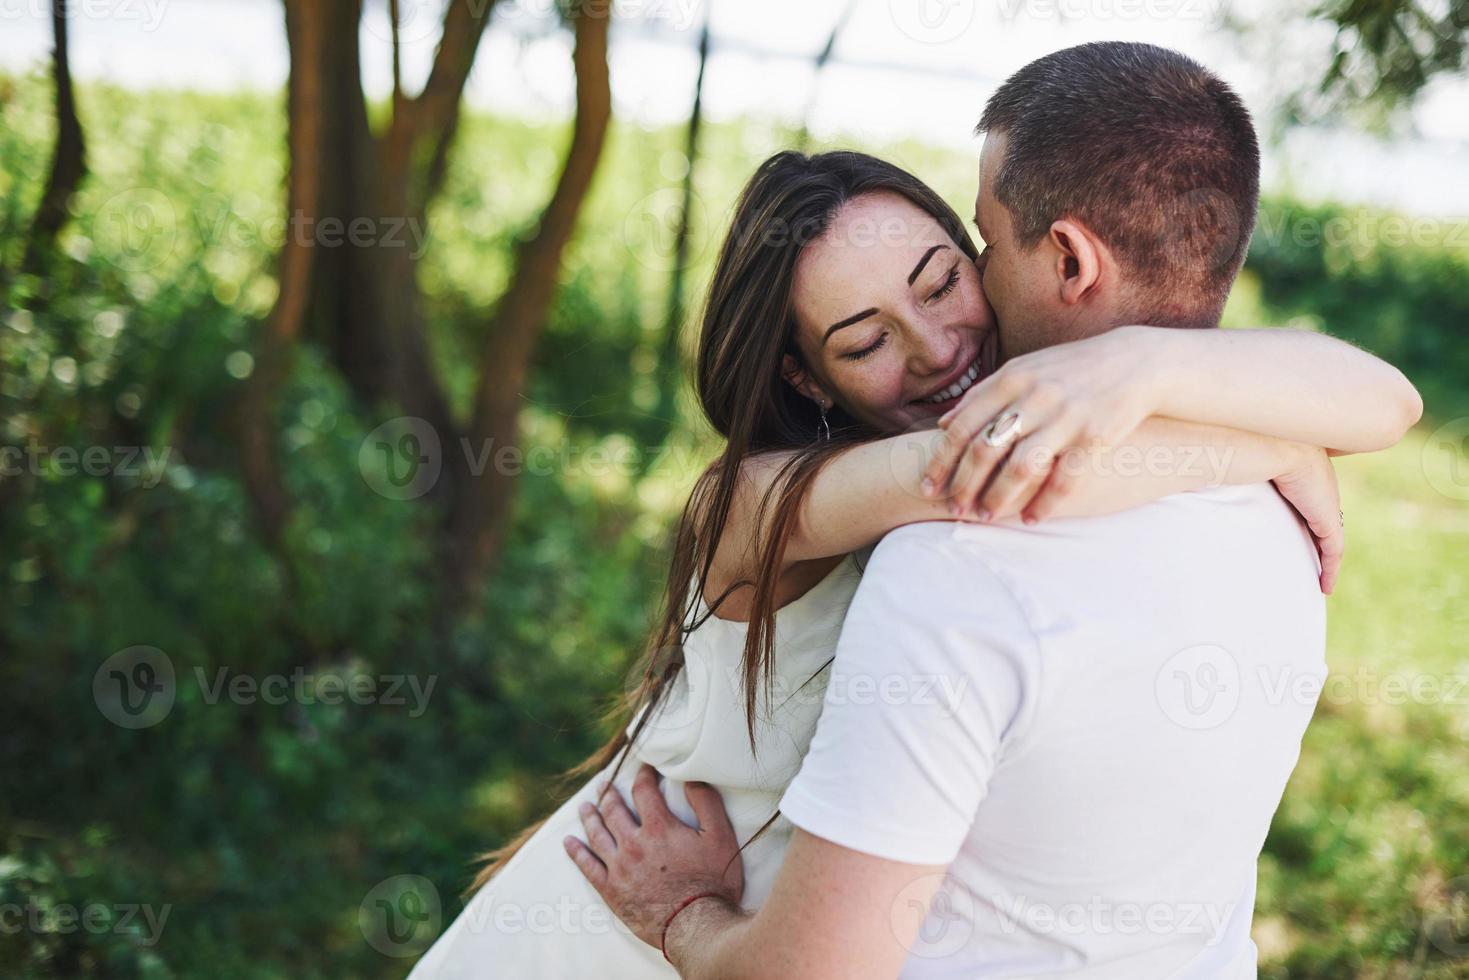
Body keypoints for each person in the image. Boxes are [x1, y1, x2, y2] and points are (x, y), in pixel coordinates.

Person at [416, 50, 1421, 979]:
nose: (936, 348)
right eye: (865, 341)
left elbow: (1387, 398)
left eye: (944, 277)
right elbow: (990, 475)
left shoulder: (1006, 490)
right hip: (603, 928)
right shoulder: (757, 501)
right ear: (805, 376)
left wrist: (1147, 362)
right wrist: (1275, 441)